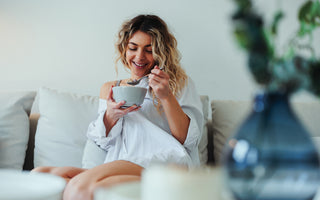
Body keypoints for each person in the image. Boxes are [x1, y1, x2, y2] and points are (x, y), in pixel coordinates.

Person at [32, 14, 204, 200]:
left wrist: (166, 96)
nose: (139, 57)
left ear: (161, 52)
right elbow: (102, 141)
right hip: (121, 163)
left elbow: (188, 140)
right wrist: (110, 116)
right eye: (133, 48)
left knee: (82, 188)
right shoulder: (111, 88)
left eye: (149, 50)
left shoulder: (177, 84)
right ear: (124, 49)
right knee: (40, 176)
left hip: (162, 162)